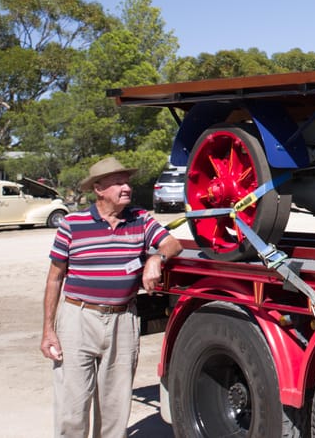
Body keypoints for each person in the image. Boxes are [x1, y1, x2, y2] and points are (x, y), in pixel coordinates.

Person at [40, 157, 183, 437]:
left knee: (115, 405)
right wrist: (48, 330)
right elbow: (54, 278)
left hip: (123, 320)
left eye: (127, 181)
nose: (126, 187)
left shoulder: (140, 219)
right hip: (78, 319)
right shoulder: (72, 224)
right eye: (118, 182)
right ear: (99, 189)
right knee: (73, 404)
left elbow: (172, 243)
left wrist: (156, 258)